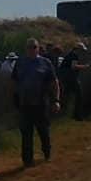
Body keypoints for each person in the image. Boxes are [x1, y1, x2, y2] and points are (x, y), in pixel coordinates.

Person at [7, 39, 60, 168]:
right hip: (24, 103)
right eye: (29, 47)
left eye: (34, 47)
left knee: (43, 130)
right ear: (26, 48)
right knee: (26, 133)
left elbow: (54, 82)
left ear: (38, 48)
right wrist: (11, 98)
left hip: (41, 103)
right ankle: (27, 160)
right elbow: (13, 82)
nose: (31, 49)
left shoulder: (45, 63)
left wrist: (56, 100)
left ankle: (47, 153)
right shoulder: (20, 63)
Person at [58, 41, 90, 120]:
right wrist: (84, 67)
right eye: (81, 50)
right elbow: (73, 66)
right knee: (79, 96)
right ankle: (77, 115)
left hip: (66, 78)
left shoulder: (70, 55)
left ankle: (61, 113)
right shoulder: (74, 56)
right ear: (78, 49)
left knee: (66, 95)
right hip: (71, 78)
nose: (82, 52)